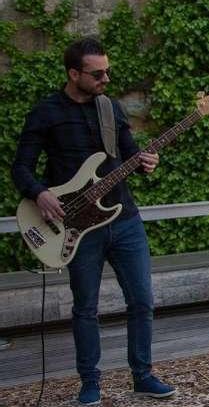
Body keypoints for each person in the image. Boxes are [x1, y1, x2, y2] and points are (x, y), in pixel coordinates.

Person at [11, 38, 176, 405]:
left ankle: (143, 375)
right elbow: (20, 167)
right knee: (86, 307)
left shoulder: (110, 108)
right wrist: (40, 193)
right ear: (73, 73)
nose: (106, 78)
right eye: (97, 73)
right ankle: (90, 383)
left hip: (124, 218)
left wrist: (147, 162)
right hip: (75, 227)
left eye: (108, 71)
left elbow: (131, 154)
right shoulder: (45, 112)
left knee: (142, 301)